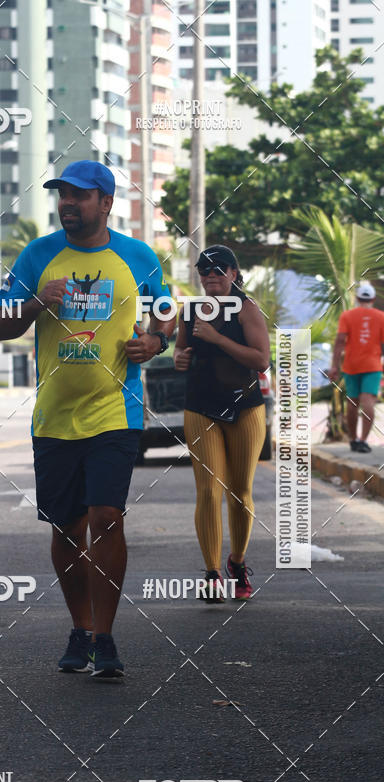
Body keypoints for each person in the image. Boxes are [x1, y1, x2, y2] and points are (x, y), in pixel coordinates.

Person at [0, 160, 175, 677]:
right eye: (62, 195)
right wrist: (33, 304)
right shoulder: (38, 255)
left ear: (106, 202)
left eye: (79, 195)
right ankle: (80, 627)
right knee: (67, 529)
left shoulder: (137, 256)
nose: (67, 203)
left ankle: (106, 637)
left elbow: (166, 311)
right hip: (54, 417)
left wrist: (155, 341)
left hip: (116, 410)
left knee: (106, 518)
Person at [174, 245, 270, 602]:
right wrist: (180, 358)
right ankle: (212, 572)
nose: (211, 276)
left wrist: (217, 339)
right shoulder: (191, 310)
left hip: (244, 407)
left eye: (219, 270)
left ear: (233, 273)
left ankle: (238, 562)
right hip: (200, 406)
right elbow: (181, 350)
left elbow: (261, 360)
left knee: (240, 492)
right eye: (204, 271)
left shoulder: (247, 309)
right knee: (208, 491)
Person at [327, 283, 384, 453]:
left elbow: (339, 342)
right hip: (373, 367)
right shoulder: (381, 317)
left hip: (351, 367)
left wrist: (334, 367)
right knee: (368, 402)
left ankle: (353, 439)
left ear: (358, 299)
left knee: (352, 403)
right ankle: (363, 440)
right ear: (372, 299)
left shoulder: (347, 316)